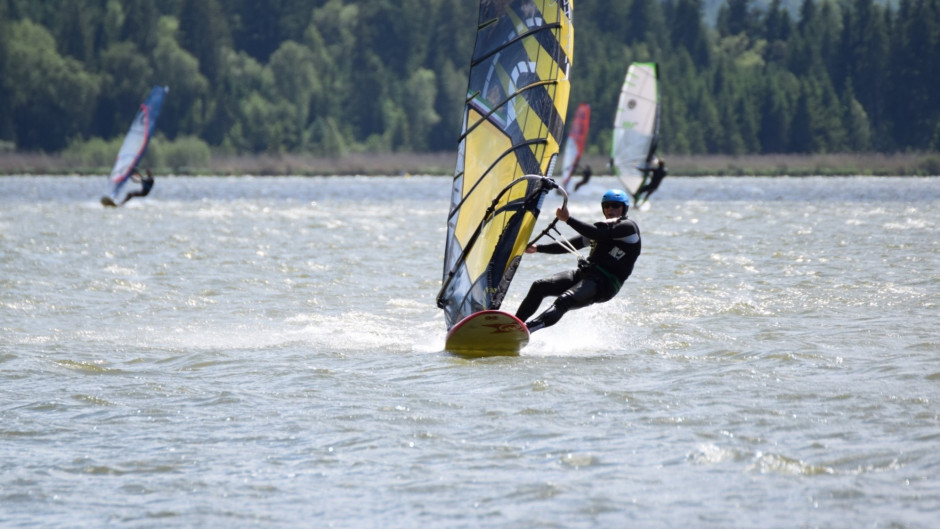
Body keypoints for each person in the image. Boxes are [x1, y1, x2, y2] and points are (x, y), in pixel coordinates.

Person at [515, 189, 641, 333]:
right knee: (540, 286)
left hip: (605, 284)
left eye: (615, 206)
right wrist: (538, 248)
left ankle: (526, 330)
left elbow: (596, 233)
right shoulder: (602, 229)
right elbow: (571, 245)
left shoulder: (628, 227)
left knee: (563, 301)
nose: (610, 209)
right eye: (607, 206)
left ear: (624, 208)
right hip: (585, 275)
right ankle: (512, 324)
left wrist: (568, 219)